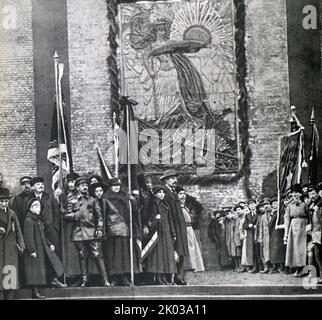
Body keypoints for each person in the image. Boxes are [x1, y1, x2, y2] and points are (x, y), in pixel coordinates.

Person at [64, 177, 110, 287]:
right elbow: (66, 215)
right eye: (82, 185)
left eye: (86, 185)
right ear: (78, 187)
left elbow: (99, 217)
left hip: (91, 231)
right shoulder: (72, 200)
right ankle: (85, 280)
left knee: (98, 254)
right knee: (82, 255)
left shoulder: (93, 200)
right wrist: (74, 216)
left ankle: (105, 280)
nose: (84, 187)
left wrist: (99, 229)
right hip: (78, 232)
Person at [24, 177, 65, 288]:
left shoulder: (49, 197)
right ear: (33, 187)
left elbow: (56, 213)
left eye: (42, 184)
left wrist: (55, 227)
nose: (41, 186)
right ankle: (42, 281)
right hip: (37, 231)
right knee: (40, 256)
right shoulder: (28, 199)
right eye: (37, 184)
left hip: (50, 232)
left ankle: (54, 279)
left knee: (53, 254)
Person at [102, 178, 142, 286]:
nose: (116, 187)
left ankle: (125, 277)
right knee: (113, 255)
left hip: (124, 229)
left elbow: (134, 210)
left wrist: (132, 200)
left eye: (118, 185)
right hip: (111, 230)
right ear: (110, 186)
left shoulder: (125, 196)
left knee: (124, 255)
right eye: (114, 185)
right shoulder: (105, 197)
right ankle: (114, 278)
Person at [144, 185, 177, 285]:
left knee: (166, 255)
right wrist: (155, 219)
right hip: (157, 233)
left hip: (166, 232)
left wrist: (173, 233)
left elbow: (170, 220)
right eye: (159, 192)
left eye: (163, 192)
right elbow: (148, 219)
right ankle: (158, 276)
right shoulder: (153, 205)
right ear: (155, 194)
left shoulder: (166, 205)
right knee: (158, 255)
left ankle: (165, 276)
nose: (162, 194)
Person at [161, 170, 189, 285]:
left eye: (175, 178)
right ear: (166, 180)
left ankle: (179, 276)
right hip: (172, 226)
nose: (175, 180)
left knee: (181, 252)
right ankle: (172, 276)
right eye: (172, 178)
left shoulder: (174, 192)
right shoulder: (165, 193)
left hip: (180, 226)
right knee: (173, 251)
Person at [0, 188, 25, 292]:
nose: (4, 204)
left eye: (6, 201)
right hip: (1, 248)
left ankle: (9, 295)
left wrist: (21, 244)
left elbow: (18, 230)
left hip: (11, 249)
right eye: (1, 201)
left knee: (10, 273)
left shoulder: (12, 214)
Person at [176, 186, 204, 274]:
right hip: (183, 230)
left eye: (184, 194)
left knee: (193, 248)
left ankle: (195, 266)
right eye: (180, 194)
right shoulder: (177, 208)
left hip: (189, 229)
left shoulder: (185, 207)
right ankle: (189, 266)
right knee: (188, 248)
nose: (183, 196)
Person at [284, 184, 309, 277]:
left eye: (296, 193)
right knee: (294, 248)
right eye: (293, 193)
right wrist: (286, 234)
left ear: (300, 194)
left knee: (302, 248)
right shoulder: (290, 206)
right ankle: (297, 268)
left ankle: (303, 269)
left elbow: (309, 215)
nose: (294, 195)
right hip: (293, 227)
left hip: (303, 226)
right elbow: (287, 220)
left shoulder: (305, 204)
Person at [307, 185, 322, 283]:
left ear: (317, 193)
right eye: (310, 194)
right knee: (317, 255)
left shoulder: (320, 205)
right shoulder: (312, 205)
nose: (311, 196)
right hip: (315, 233)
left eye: (313, 193)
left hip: (320, 231)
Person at [268, 198, 286, 273]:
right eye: (273, 204)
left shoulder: (280, 213)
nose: (274, 205)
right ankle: (274, 266)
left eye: (275, 203)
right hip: (273, 232)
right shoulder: (273, 213)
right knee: (274, 249)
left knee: (280, 249)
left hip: (279, 232)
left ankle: (281, 266)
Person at [242, 200, 258, 273]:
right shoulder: (247, 215)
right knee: (250, 251)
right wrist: (249, 225)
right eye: (250, 205)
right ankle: (251, 265)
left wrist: (255, 226)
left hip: (256, 233)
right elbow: (244, 225)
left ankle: (257, 266)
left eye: (253, 204)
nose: (252, 206)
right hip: (249, 234)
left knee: (257, 250)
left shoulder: (258, 213)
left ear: (255, 205)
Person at [258, 198, 273, 273]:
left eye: (267, 204)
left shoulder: (273, 214)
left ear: (270, 205)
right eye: (265, 205)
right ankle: (266, 267)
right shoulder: (262, 216)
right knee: (265, 252)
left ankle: (273, 267)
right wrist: (260, 238)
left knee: (272, 251)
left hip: (272, 236)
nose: (266, 206)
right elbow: (260, 228)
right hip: (265, 237)